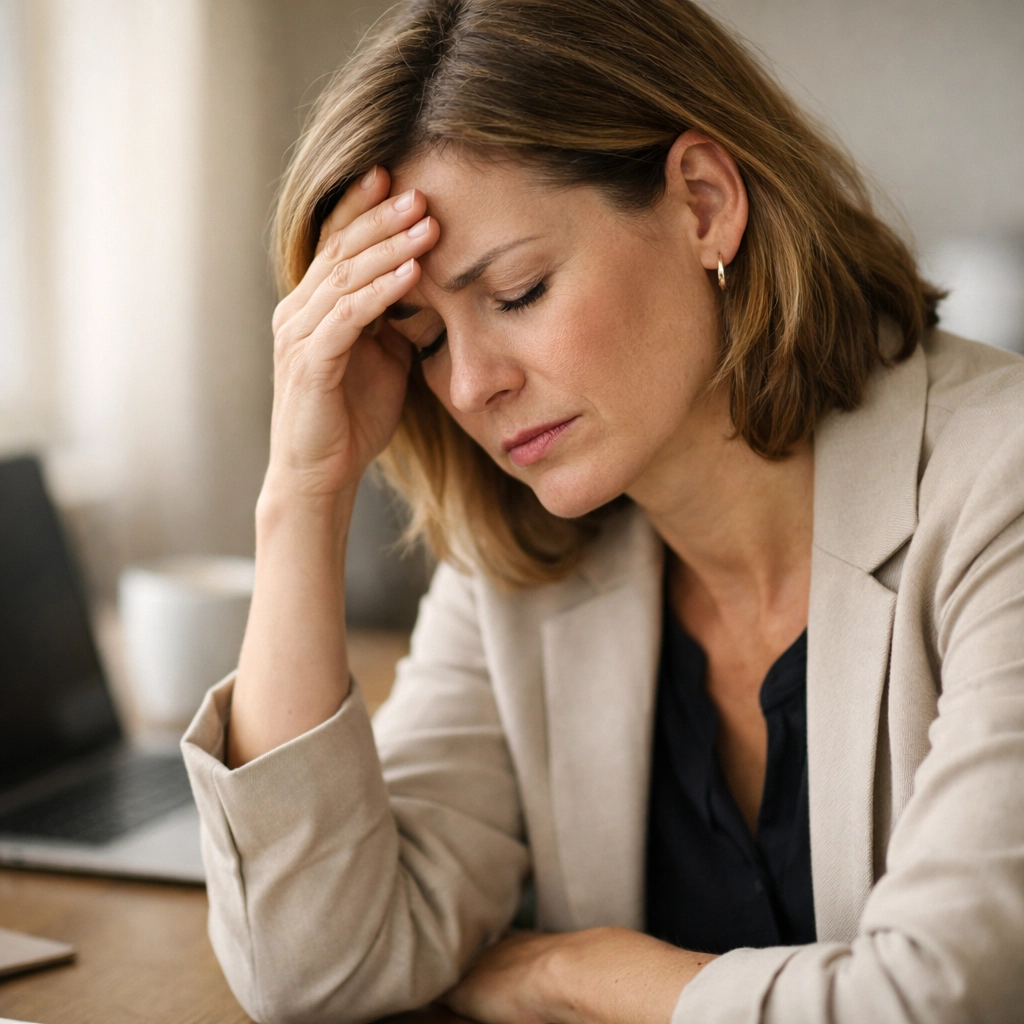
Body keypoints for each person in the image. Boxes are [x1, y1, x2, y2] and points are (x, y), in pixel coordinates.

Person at [180, 1, 1024, 1021]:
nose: (469, 387)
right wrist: (300, 497)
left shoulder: (1000, 490)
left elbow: (938, 1000)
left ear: (704, 203)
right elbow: (311, 970)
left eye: (518, 290)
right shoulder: (522, 561)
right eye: (426, 336)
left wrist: (559, 970)